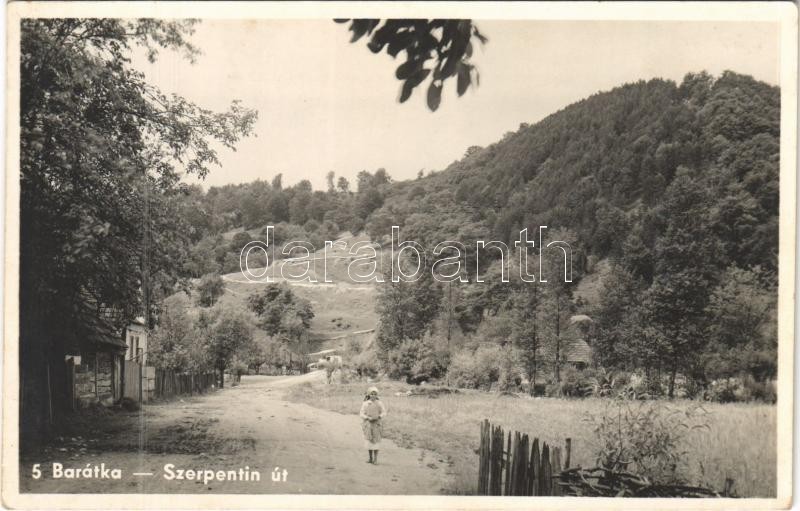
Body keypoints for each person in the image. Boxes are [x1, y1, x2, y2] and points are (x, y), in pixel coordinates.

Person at [359, 386, 387, 465]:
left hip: (377, 424)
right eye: (372, 394)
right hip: (368, 424)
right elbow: (361, 413)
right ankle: (370, 458)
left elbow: (384, 412)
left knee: (376, 441)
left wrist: (379, 416)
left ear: (377, 395)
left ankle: (375, 459)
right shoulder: (365, 403)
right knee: (369, 441)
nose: (373, 395)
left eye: (375, 394)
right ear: (369, 395)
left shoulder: (379, 403)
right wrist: (367, 417)